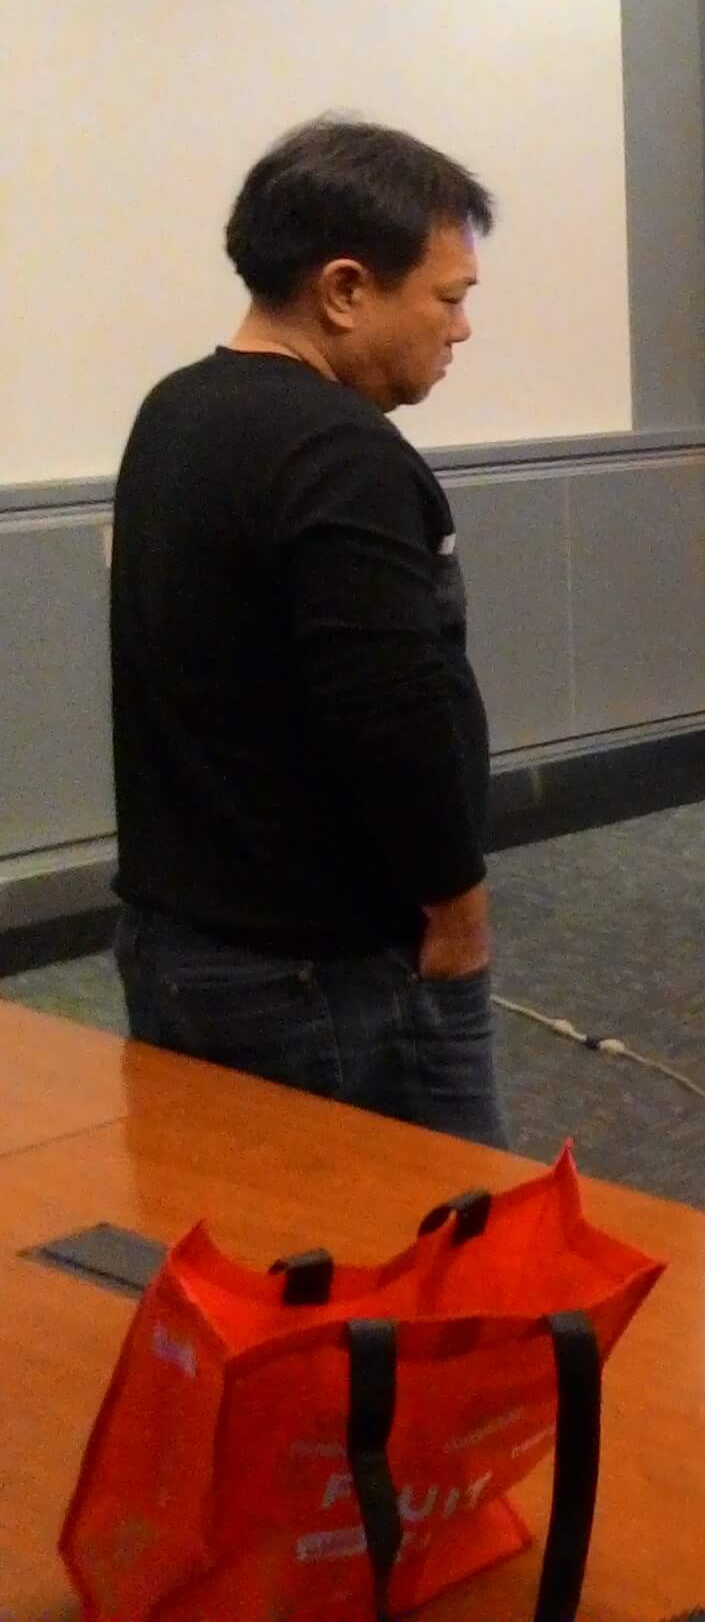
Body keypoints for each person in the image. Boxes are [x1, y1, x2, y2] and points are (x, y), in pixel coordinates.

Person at [109, 117, 506, 1146]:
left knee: (237, 1225)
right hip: (322, 977)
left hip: (181, 944)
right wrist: (458, 910)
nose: (462, 329)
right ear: (344, 290)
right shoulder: (341, 451)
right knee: (429, 1232)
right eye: (449, 298)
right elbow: (389, 709)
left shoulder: (175, 412)